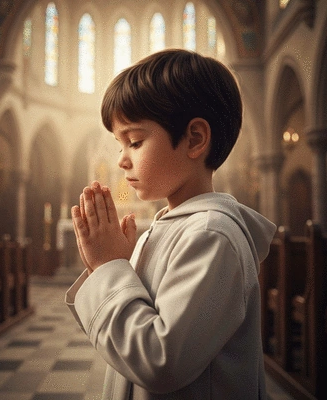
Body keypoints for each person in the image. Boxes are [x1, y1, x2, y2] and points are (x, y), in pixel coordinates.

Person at [66, 49, 276, 400]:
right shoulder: (173, 228)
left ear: (194, 139)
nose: (120, 159)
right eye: (118, 145)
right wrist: (109, 267)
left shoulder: (212, 236)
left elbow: (159, 362)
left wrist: (110, 267)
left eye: (134, 141)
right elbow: (121, 340)